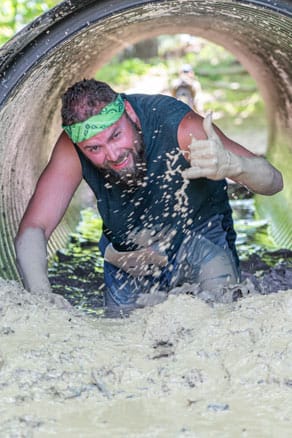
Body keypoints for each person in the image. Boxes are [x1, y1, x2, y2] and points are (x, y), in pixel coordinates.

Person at [14, 79, 283, 312]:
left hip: (200, 234)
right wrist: (42, 297)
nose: (113, 154)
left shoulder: (180, 128)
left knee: (219, 313)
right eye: (94, 148)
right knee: (122, 336)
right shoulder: (72, 148)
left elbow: (274, 182)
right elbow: (33, 229)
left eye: (116, 135)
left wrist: (237, 166)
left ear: (128, 111)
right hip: (128, 254)